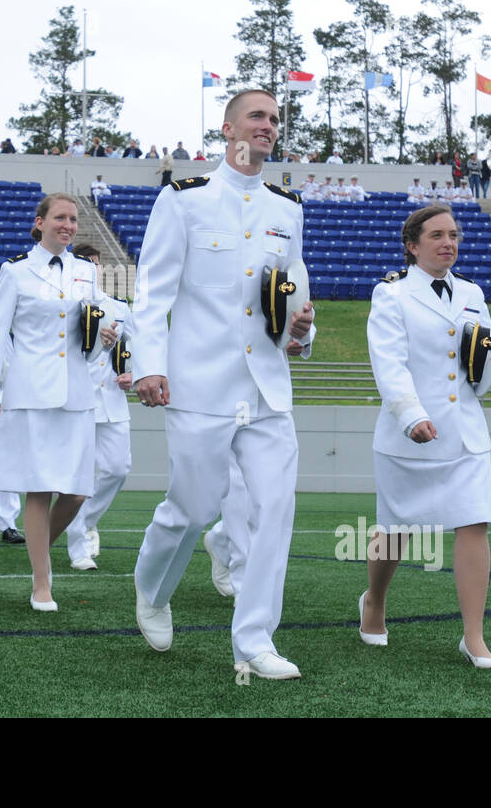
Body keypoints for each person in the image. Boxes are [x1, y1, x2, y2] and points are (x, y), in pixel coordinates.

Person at [130, 88, 315, 680]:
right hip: (199, 385)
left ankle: (254, 640)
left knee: (273, 510)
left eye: (274, 119)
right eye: (257, 116)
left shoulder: (288, 211)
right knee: (192, 507)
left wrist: (301, 333)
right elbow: (152, 294)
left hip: (265, 388)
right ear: (229, 128)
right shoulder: (182, 202)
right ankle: (152, 590)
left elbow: (291, 297)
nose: (268, 126)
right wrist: (150, 364)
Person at [361, 203, 491, 668]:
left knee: (474, 522)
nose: (449, 242)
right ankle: (375, 603)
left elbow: (476, 366)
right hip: (410, 435)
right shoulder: (391, 295)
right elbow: (389, 363)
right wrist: (411, 415)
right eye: (437, 236)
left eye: (454, 235)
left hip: (465, 434)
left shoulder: (472, 292)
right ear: (413, 246)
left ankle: (473, 636)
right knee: (396, 529)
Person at [0, 193, 121, 611]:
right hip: (31, 392)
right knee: (38, 491)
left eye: (73, 219)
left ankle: (39, 550)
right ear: (39, 222)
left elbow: (89, 337)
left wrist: (102, 340)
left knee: (75, 493)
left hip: (76, 391)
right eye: (59, 217)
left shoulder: (85, 273)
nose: (68, 225)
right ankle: (42, 582)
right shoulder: (15, 272)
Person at [64, 245, 133, 571]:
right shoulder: (62, 308)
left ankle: (86, 520)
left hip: (112, 401)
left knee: (118, 469)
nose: (92, 270)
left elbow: (138, 344)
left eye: (95, 264)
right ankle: (78, 547)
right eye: (85, 265)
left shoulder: (118, 307)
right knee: (77, 477)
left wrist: (133, 371)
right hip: (75, 400)